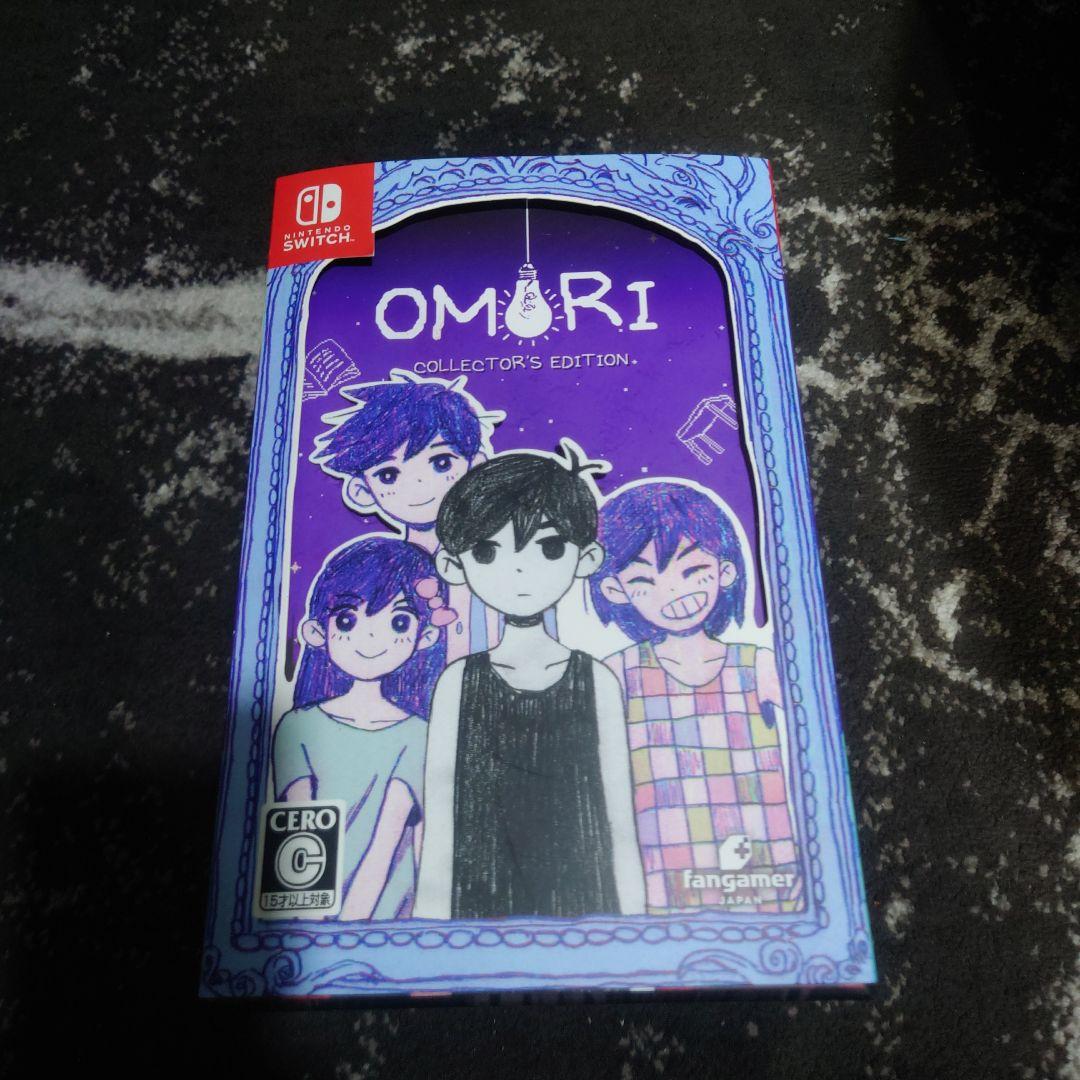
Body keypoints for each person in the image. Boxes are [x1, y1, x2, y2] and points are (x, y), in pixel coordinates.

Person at [413, 440, 645, 919]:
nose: (519, 569)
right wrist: (429, 928)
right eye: (487, 551)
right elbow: (441, 813)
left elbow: (620, 819)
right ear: (454, 565)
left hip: (585, 908)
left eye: (549, 547)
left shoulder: (596, 679)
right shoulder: (458, 682)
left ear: (586, 558)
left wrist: (635, 925)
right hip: (479, 908)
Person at [590, 479, 801, 914]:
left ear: (725, 571)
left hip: (767, 877)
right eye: (644, 581)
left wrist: (815, 859)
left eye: (691, 571)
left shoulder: (757, 667)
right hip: (663, 889)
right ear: (616, 590)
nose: (673, 592)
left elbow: (819, 750)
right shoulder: (616, 675)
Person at [272, 536, 456, 920]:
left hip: (383, 922)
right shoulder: (298, 726)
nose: (371, 638)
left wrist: (347, 932)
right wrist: (309, 928)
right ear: (317, 631)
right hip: (311, 919)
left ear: (424, 636)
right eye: (348, 620)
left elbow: (385, 846)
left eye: (399, 622)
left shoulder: (419, 733)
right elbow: (299, 832)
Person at [311, 369, 505, 661]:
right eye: (388, 474)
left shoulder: (498, 558)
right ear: (362, 491)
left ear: (475, 467)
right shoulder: (375, 573)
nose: (419, 484)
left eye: (442, 463)